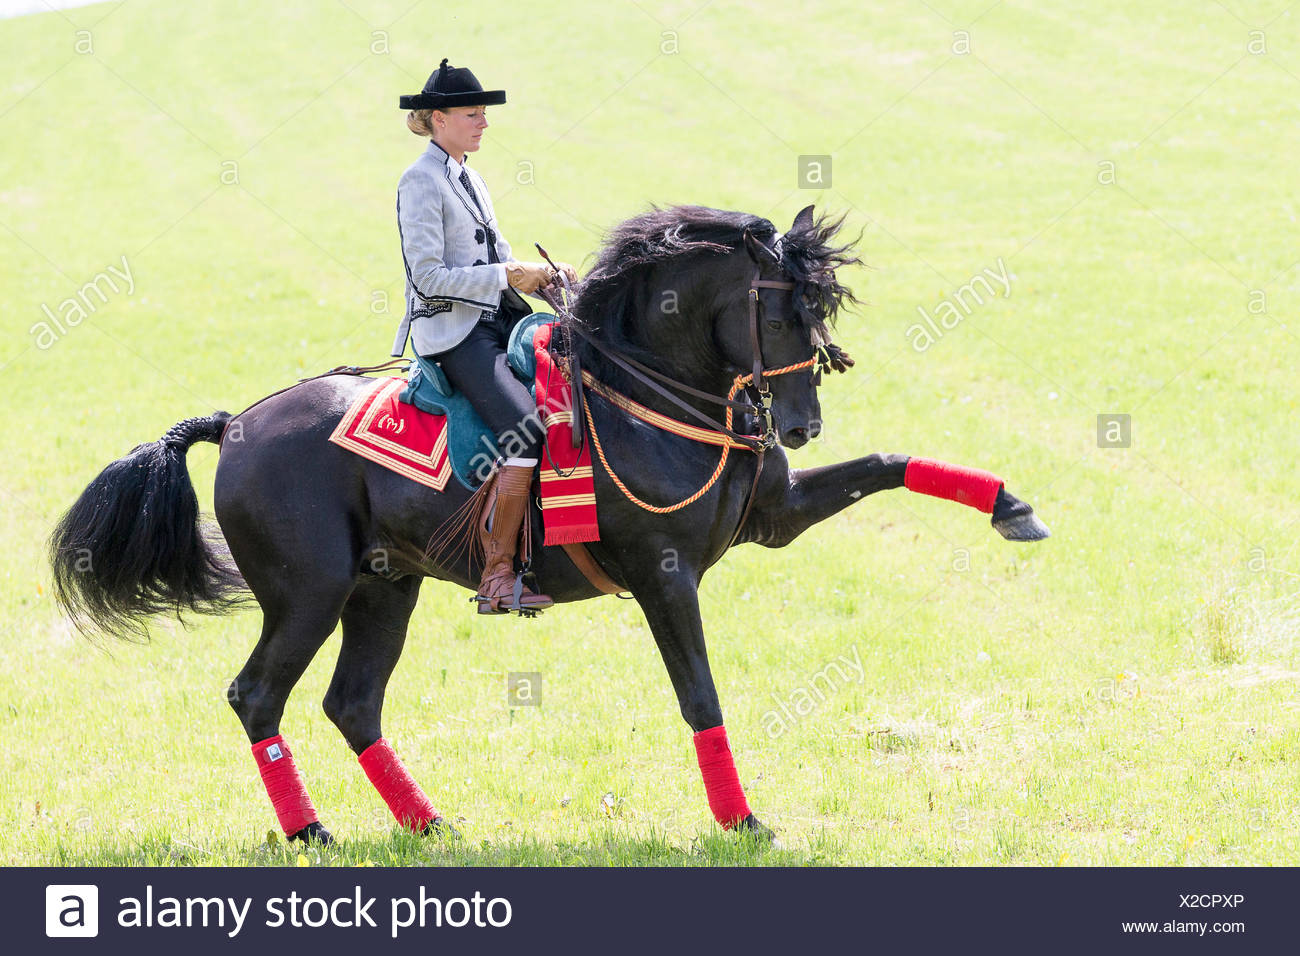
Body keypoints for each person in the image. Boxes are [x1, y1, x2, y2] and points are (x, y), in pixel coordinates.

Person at [394, 58, 577, 615]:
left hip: (495, 319)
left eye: (483, 113)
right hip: (452, 334)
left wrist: (542, 275)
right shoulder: (419, 182)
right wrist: (504, 275)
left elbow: (496, 257)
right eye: (473, 113)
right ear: (438, 118)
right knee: (524, 428)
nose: (483, 122)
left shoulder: (469, 175)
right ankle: (498, 575)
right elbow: (426, 276)